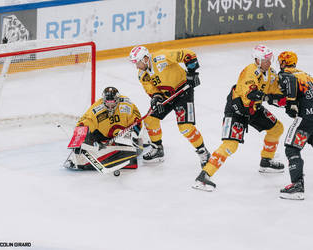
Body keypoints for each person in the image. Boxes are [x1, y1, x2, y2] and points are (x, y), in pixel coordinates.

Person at [193, 45, 286, 191]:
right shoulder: (250, 71)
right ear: (257, 60)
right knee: (230, 145)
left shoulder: (271, 73)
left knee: (277, 128)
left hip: (253, 109)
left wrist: (287, 98)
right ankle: (204, 176)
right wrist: (269, 98)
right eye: (265, 59)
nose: (268, 62)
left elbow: (276, 91)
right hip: (236, 110)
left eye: (269, 58)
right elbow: (251, 94)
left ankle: (266, 161)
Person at [128, 45, 210, 167]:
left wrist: (192, 74)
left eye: (137, 62)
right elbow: (151, 89)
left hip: (183, 92)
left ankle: (203, 153)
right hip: (166, 97)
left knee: (185, 127)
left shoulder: (161, 57)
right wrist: (156, 99)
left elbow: (188, 54)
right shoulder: (142, 75)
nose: (136, 66)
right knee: (150, 119)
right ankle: (157, 149)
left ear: (145, 59)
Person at [64, 86, 142, 170]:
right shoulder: (97, 108)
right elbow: (86, 121)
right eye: (108, 103)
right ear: (104, 101)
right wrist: (79, 139)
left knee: (134, 147)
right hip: (102, 136)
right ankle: (90, 150)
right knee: (88, 134)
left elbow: (136, 119)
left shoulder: (126, 104)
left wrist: (134, 132)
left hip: (121, 136)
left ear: (117, 100)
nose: (110, 106)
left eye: (112, 103)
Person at [277, 51, 313, 200]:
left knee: (292, 148)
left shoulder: (286, 73)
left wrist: (291, 102)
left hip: (305, 118)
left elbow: (290, 81)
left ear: (284, 62)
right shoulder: (306, 75)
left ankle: (297, 185)